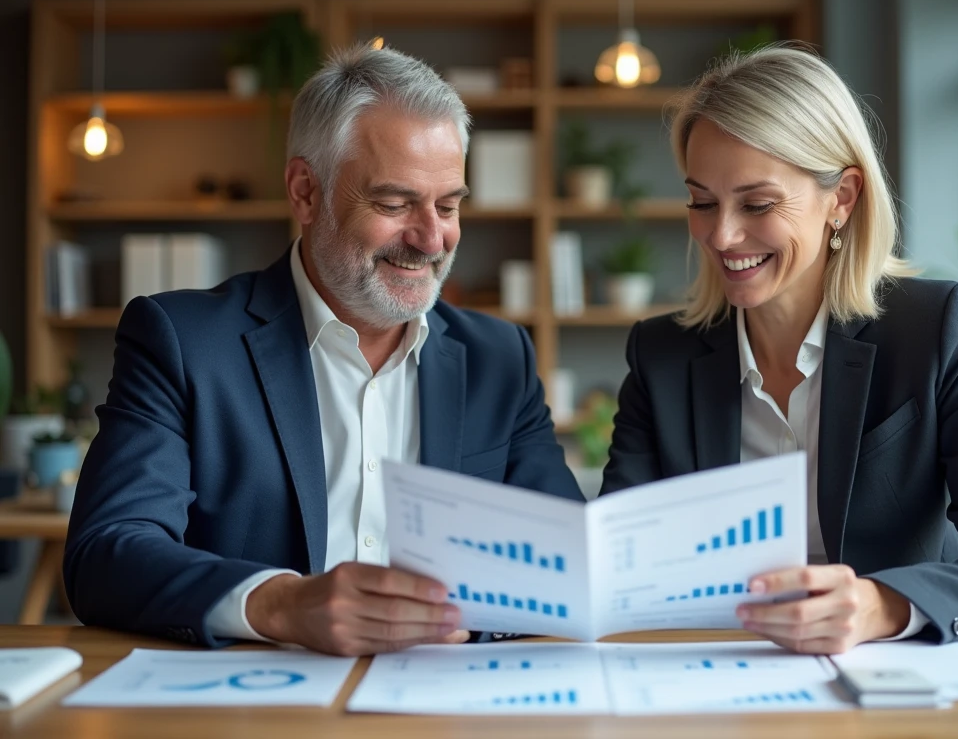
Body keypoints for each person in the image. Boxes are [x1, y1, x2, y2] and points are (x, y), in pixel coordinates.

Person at [64, 43, 584, 656]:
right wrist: (279, 603)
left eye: (448, 205)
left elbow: (569, 559)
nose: (432, 238)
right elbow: (107, 550)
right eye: (394, 204)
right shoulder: (181, 341)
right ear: (306, 192)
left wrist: (462, 621)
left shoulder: (501, 357)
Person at [600, 45, 958, 654]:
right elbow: (616, 562)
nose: (721, 235)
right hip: (713, 677)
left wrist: (884, 606)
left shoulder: (933, 329)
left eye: (758, 204)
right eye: (702, 202)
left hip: (892, 683)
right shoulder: (661, 356)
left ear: (842, 198)